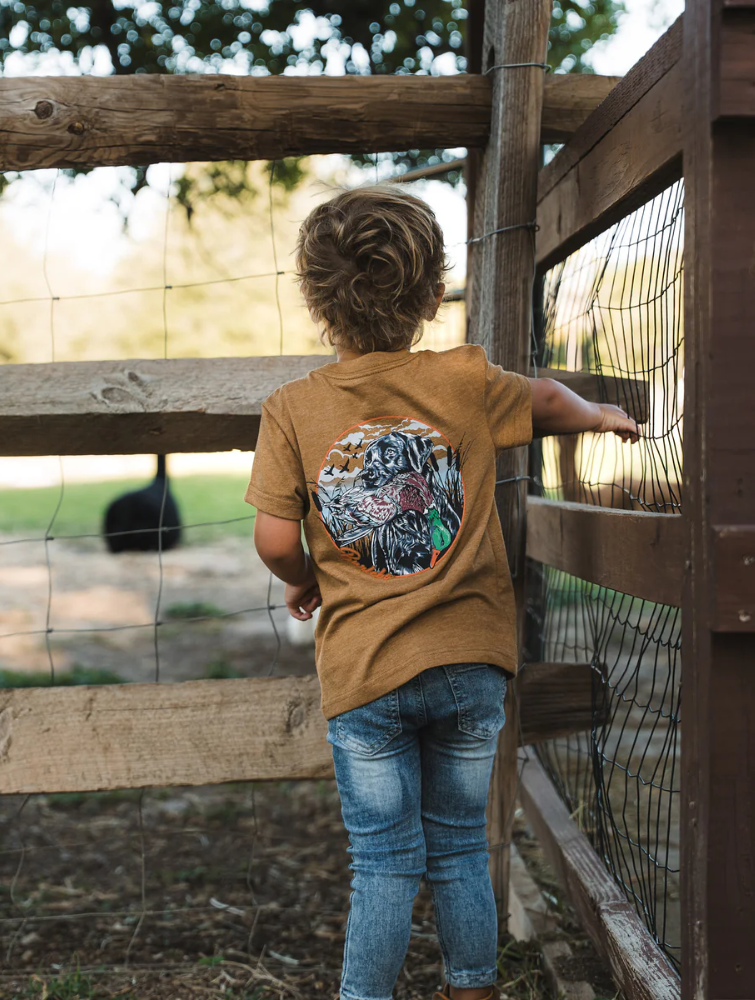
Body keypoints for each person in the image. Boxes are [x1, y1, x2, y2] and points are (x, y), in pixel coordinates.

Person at [244, 186, 638, 1000]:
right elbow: (547, 399)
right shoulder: (465, 382)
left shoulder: (293, 409)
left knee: (383, 862)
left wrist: (306, 578)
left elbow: (277, 541)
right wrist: (598, 413)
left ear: (316, 297)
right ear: (430, 295)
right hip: (470, 660)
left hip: (366, 672)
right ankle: (472, 989)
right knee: (460, 847)